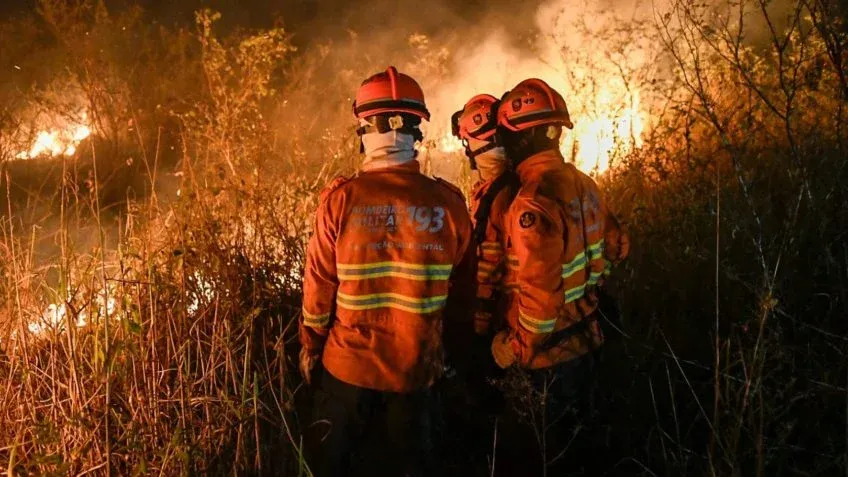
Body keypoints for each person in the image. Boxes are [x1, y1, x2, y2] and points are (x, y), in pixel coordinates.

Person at [298, 66, 476, 477]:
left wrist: (310, 346)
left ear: (363, 128)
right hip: (417, 374)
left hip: (346, 373)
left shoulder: (341, 201)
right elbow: (464, 297)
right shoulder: (448, 204)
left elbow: (318, 289)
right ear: (418, 129)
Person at [489, 78, 631, 475]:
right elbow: (616, 247)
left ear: (525, 136)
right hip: (590, 340)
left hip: (551, 358)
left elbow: (540, 296)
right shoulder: (584, 183)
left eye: (508, 136)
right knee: (586, 450)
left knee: (546, 459)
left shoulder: (531, 203)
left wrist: (515, 349)